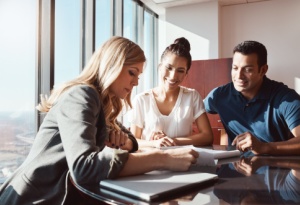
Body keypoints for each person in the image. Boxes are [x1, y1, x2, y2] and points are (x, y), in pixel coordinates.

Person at [0, 36, 199, 204]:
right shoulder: (82, 95)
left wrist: (125, 141)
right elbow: (84, 168)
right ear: (112, 66)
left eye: (138, 75)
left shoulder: (103, 105)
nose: (136, 82)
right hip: (32, 198)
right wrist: (163, 159)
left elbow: (131, 139)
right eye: (132, 73)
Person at [204, 40, 300, 155]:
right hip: (235, 167)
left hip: (278, 168)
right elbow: (193, 108)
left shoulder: (286, 99)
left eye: (248, 69)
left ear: (263, 70)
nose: (239, 76)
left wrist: (264, 147)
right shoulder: (219, 95)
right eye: (235, 68)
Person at [129, 37, 213, 148]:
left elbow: (207, 137)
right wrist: (154, 143)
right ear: (159, 67)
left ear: (186, 74)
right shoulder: (141, 100)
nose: (173, 76)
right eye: (169, 68)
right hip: (150, 163)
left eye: (180, 71)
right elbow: (133, 140)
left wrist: (173, 141)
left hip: (184, 162)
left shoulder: (192, 96)